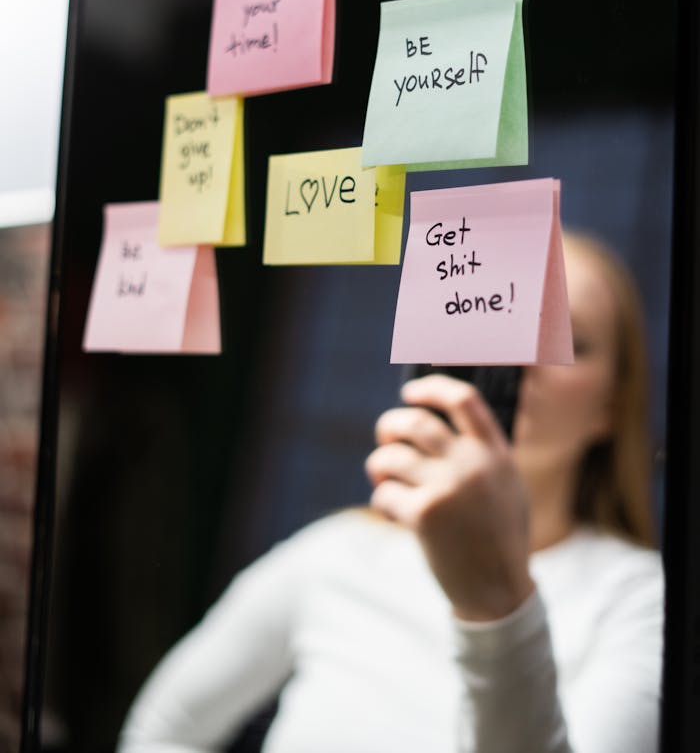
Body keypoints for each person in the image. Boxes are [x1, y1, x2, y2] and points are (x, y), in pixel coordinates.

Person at [117, 232, 663, 753]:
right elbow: (160, 731)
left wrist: (497, 608)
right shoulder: (338, 552)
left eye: (567, 338)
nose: (520, 357)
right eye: (503, 314)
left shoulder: (641, 600)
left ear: (613, 405)